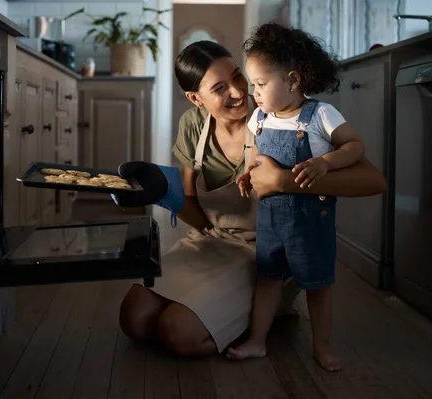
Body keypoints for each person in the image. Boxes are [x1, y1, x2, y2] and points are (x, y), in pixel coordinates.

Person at [118, 40, 387, 357]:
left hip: (268, 251)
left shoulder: (277, 115)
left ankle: (268, 312)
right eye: (219, 88)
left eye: (238, 77)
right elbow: (192, 205)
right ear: (195, 99)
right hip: (211, 240)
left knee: (178, 333)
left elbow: (374, 180)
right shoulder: (193, 126)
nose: (238, 92)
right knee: (134, 318)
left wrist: (286, 181)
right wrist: (159, 194)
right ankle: (226, 309)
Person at [228, 23, 367, 371]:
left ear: (292, 80)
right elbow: (255, 156)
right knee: (268, 280)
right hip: (271, 219)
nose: (253, 93)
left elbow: (355, 146)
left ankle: (322, 347)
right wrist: (246, 174)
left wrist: (324, 162)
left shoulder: (320, 115)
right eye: (253, 85)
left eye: (260, 85)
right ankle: (258, 341)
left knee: (317, 285)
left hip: (310, 220)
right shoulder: (259, 118)